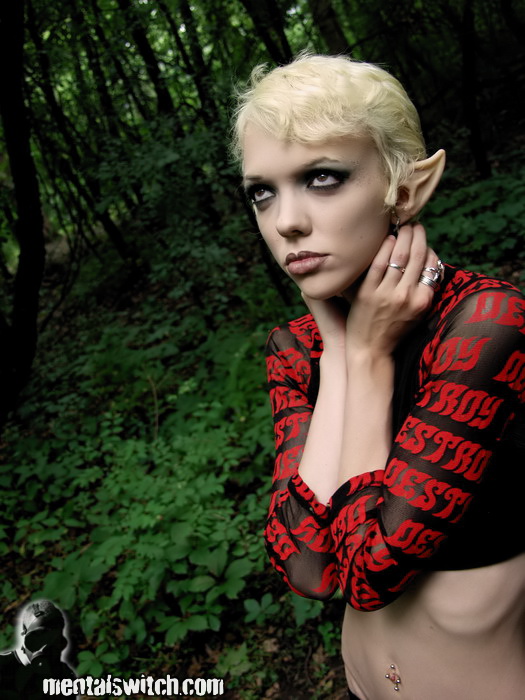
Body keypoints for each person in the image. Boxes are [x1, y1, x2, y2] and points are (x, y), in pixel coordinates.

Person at [232, 54, 525, 699]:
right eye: (262, 191)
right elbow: (307, 567)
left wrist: (365, 357)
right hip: (364, 681)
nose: (285, 221)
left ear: (407, 189)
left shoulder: (485, 325)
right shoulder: (296, 348)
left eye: (323, 177)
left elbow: (368, 573)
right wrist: (341, 348)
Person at [0, 599, 77, 699]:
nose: (45, 646)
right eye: (38, 635)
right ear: (24, 632)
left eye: (53, 638)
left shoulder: (64, 676)